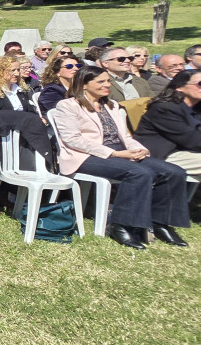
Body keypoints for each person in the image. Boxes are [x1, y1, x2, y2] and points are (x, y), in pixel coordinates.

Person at [48, 66, 191, 249]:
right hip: (85, 156)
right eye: (101, 82)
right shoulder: (68, 105)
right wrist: (114, 153)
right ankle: (121, 225)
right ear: (83, 84)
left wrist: (140, 149)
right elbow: (73, 140)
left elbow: (124, 136)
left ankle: (160, 223)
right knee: (139, 173)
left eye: (108, 81)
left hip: (120, 152)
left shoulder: (112, 105)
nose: (107, 85)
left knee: (174, 172)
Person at [134, 72, 201, 178]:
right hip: (164, 155)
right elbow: (194, 140)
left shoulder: (197, 107)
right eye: (200, 84)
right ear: (180, 87)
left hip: (188, 151)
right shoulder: (164, 109)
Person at [36, 52, 81, 118]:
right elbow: (59, 112)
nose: (76, 69)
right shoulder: (51, 90)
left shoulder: (80, 86)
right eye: (69, 66)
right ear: (57, 72)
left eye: (78, 66)